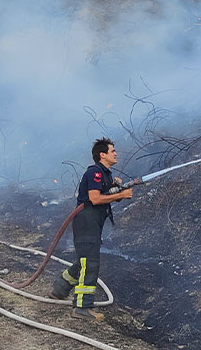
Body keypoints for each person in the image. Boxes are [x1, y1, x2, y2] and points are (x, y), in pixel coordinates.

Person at [50, 138, 133, 321]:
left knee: (84, 261)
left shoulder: (105, 175)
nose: (115, 153)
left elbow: (106, 196)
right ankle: (82, 307)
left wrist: (117, 190)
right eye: (112, 151)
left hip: (92, 223)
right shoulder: (95, 172)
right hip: (86, 222)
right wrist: (120, 194)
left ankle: (60, 289)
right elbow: (95, 199)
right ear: (102, 154)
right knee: (90, 264)